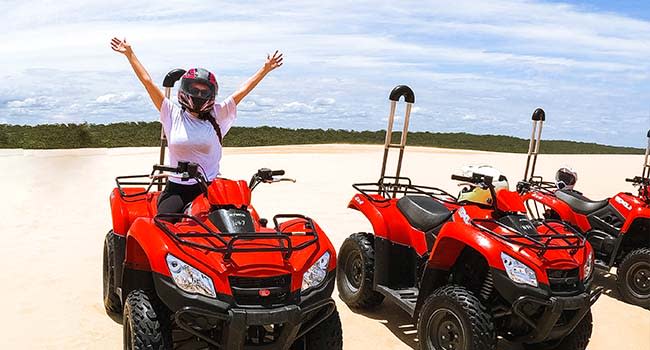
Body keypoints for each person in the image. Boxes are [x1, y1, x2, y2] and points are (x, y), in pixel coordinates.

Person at [110, 37, 283, 214]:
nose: (199, 94)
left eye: (204, 91)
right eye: (194, 90)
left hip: (212, 188)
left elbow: (243, 90)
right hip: (178, 188)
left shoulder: (219, 114)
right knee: (165, 223)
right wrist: (130, 54)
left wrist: (265, 69)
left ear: (212, 93)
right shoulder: (172, 113)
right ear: (185, 90)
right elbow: (148, 82)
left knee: (240, 219)